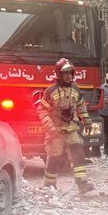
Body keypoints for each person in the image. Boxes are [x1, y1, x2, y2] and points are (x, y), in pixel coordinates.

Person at [37, 58, 94, 194]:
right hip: (55, 131)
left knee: (78, 154)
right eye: (65, 73)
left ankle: (82, 184)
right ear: (59, 74)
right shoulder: (51, 91)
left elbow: (81, 106)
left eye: (70, 73)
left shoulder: (75, 89)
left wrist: (87, 120)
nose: (69, 76)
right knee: (55, 158)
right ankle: (49, 186)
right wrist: (49, 126)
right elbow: (42, 110)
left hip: (71, 129)